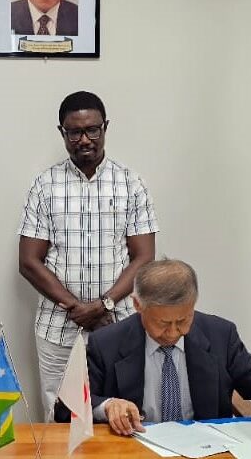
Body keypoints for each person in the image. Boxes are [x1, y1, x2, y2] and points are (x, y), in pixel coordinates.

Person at [18, 90, 159, 418]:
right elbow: (28, 260)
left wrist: (103, 305)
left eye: (92, 130)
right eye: (75, 132)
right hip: (58, 327)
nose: (84, 139)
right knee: (59, 417)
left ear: (105, 127)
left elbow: (144, 257)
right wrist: (77, 308)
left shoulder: (131, 183)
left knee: (120, 415)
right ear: (62, 133)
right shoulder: (45, 185)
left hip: (119, 324)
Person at [58, 259, 251, 436]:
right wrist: (108, 406)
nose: (172, 333)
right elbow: (65, 409)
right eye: (162, 323)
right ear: (138, 305)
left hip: (206, 453)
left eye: (182, 321)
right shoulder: (107, 343)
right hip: (135, 452)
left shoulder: (220, 334)